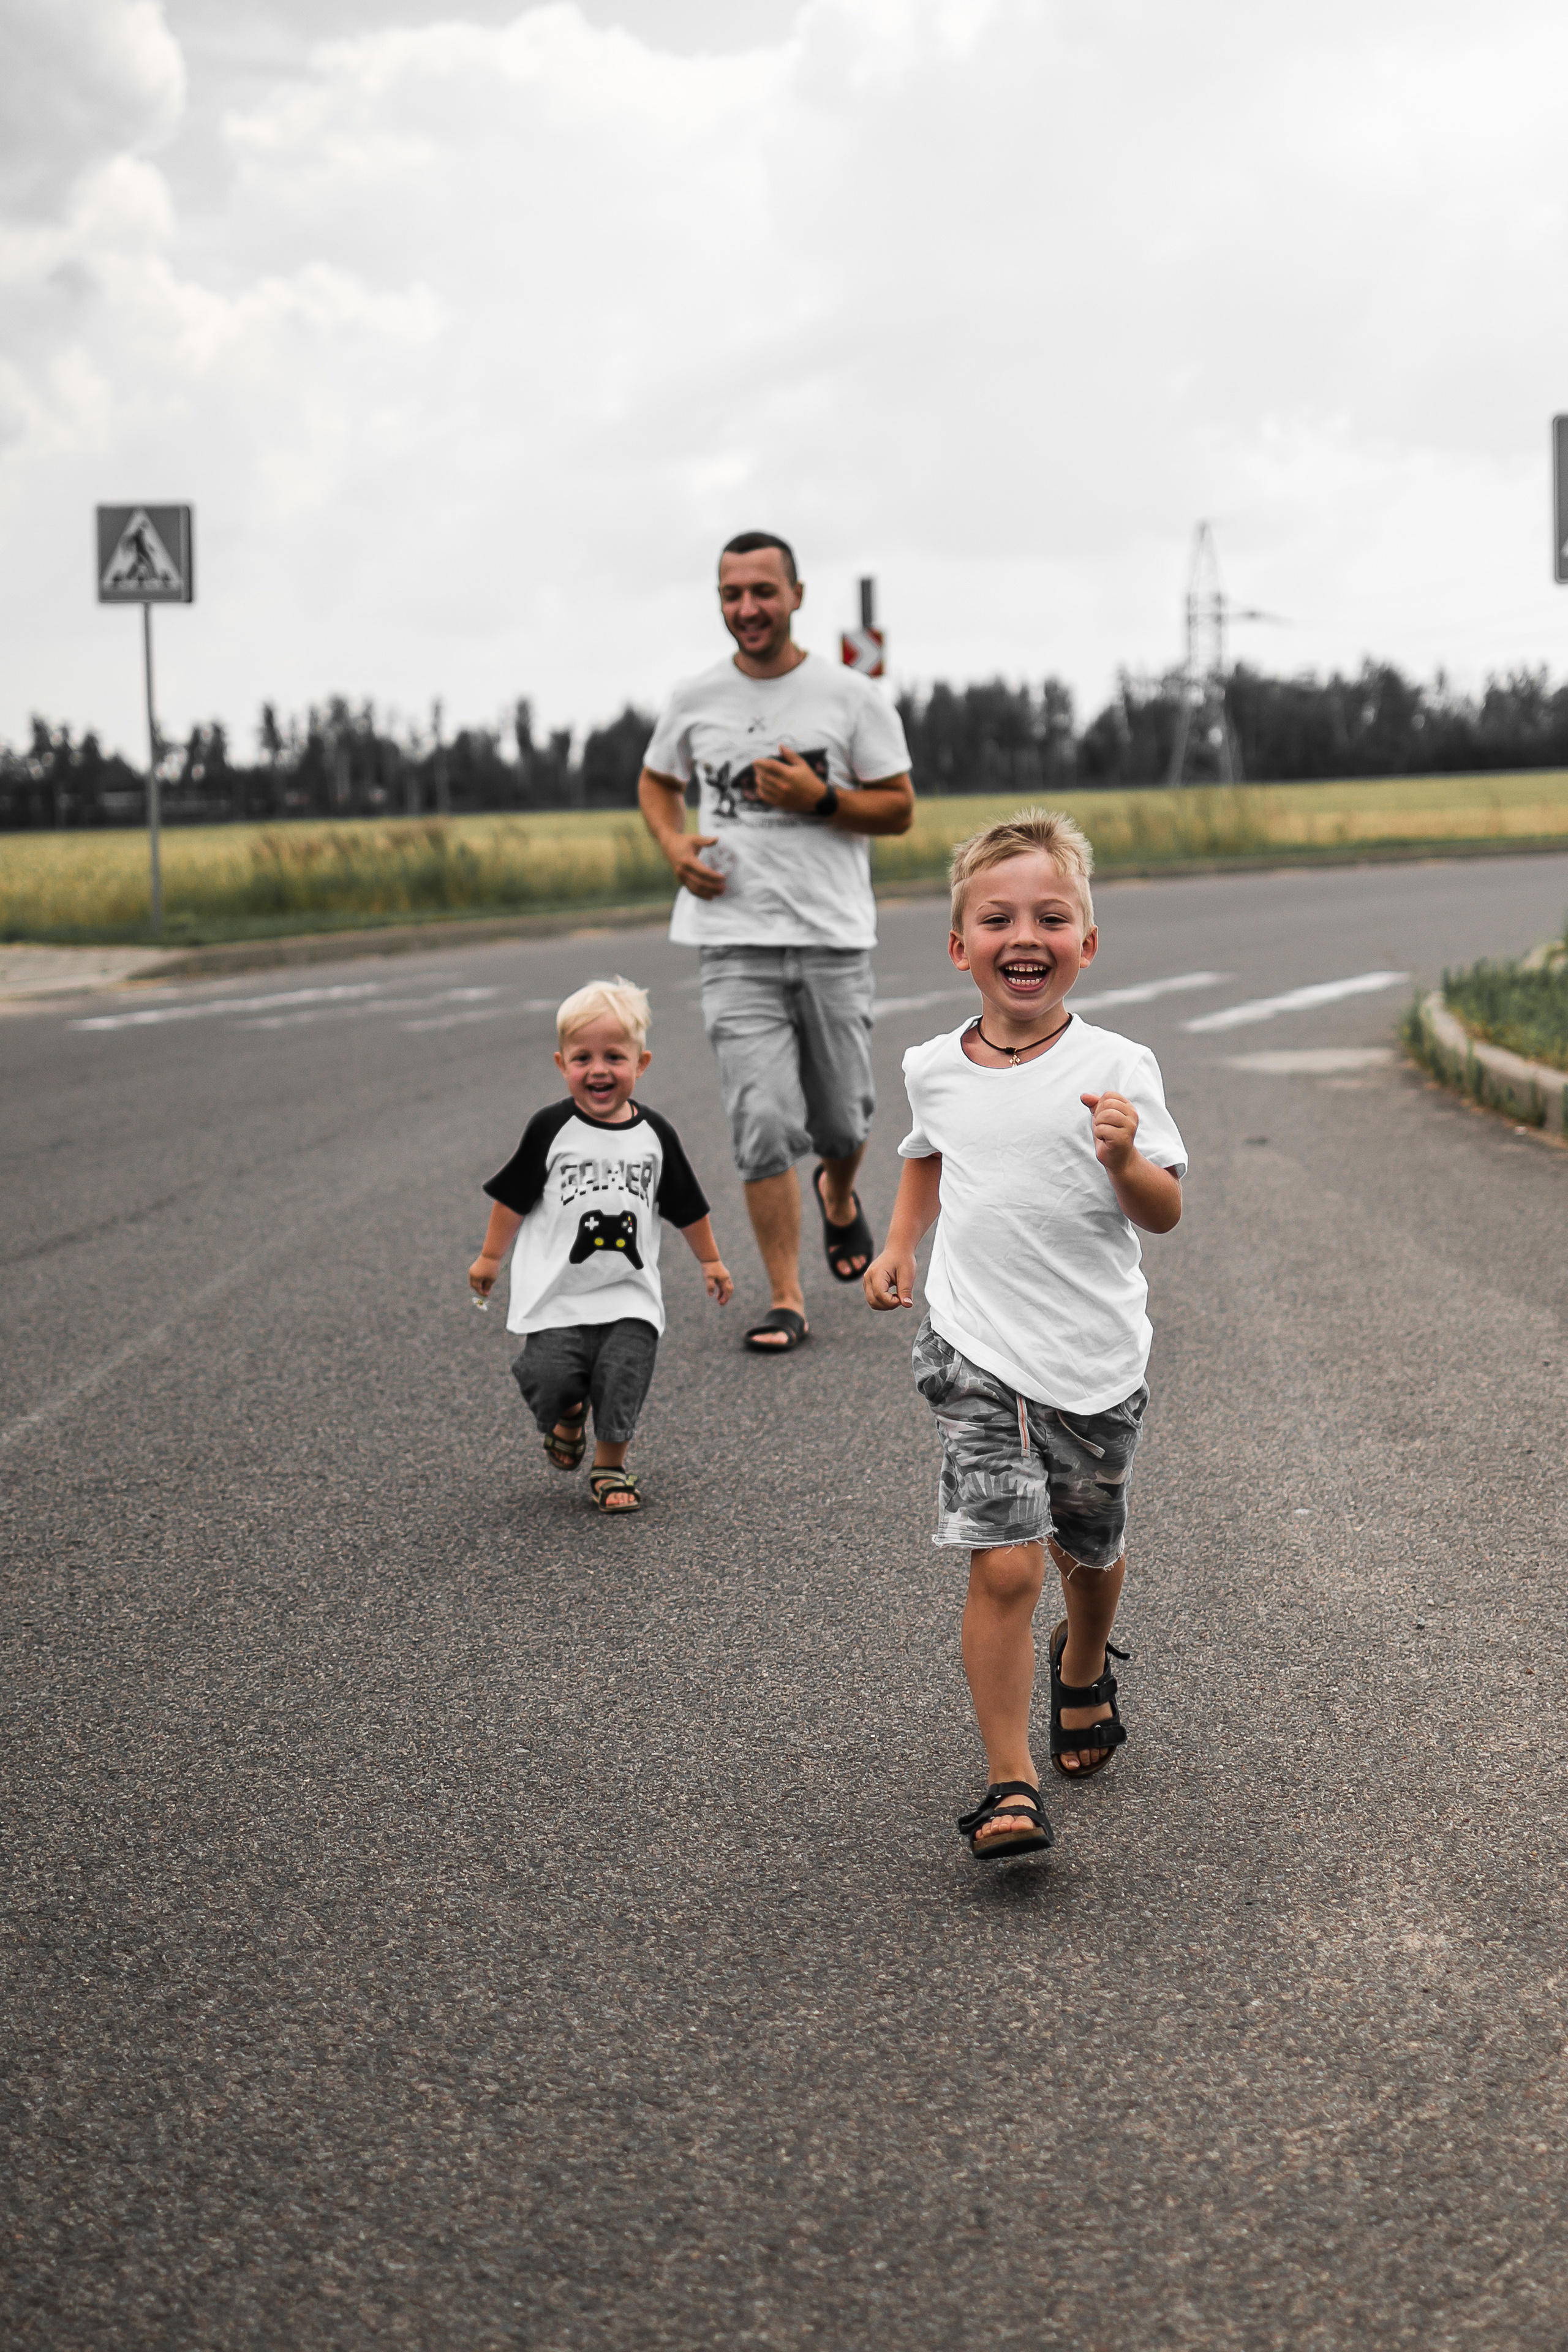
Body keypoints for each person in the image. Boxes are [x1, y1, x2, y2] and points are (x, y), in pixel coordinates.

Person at [862, 812, 1186, 1858]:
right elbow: (924, 1154)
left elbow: (1164, 1212)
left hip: (1091, 1359)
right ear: (960, 947)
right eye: (996, 917)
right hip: (972, 1347)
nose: (1024, 935)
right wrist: (902, 1244)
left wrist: (1126, 1158)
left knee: (1088, 1548)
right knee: (1004, 1561)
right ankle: (1010, 1783)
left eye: (1052, 916)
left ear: (1086, 944)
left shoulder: (1119, 1065)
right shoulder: (934, 1066)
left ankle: (1083, 1663)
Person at [637, 530, 915, 1354]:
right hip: (733, 942)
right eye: (732, 595)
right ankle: (786, 1298)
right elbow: (659, 780)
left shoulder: (850, 696)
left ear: (796, 595)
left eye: (763, 591)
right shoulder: (694, 697)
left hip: (831, 937)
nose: (747, 609)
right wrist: (673, 843)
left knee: (843, 1119)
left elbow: (897, 807)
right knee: (760, 1119)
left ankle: (838, 1193)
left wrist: (821, 799)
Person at [468, 977, 733, 1513]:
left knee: (624, 1373)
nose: (598, 1070)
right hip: (558, 1292)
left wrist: (711, 1260)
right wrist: (491, 1256)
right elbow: (513, 1198)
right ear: (561, 1062)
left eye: (615, 1056)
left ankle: (611, 1465)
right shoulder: (551, 1128)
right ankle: (567, 1414)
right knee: (549, 1375)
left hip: (628, 1291)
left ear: (642, 1063)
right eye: (582, 1057)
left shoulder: (655, 1135)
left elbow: (686, 1204)